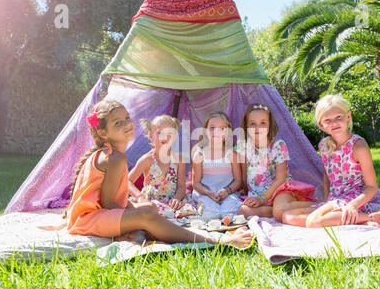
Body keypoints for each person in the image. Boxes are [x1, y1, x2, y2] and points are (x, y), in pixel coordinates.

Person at [66, 100, 253, 248]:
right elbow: (109, 204)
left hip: (98, 216)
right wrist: (138, 212)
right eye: (118, 123)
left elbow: (114, 200)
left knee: (150, 212)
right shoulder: (114, 158)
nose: (127, 124)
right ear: (103, 133)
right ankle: (216, 242)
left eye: (127, 118)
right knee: (147, 216)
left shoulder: (114, 155)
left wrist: (139, 210)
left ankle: (146, 231)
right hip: (89, 220)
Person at [281, 95, 380, 228]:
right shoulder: (324, 145)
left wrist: (353, 205)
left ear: (348, 116)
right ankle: (360, 221)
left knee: (313, 222)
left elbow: (372, 187)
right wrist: (326, 200)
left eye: (339, 117)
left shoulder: (358, 146)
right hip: (334, 199)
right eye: (328, 120)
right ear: (322, 124)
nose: (334, 123)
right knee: (287, 216)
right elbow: (327, 177)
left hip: (354, 200)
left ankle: (375, 216)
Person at [237, 103, 316, 218]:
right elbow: (244, 176)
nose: (258, 128)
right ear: (246, 127)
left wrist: (262, 198)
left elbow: (281, 179)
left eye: (263, 123)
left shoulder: (278, 145)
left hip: (279, 190)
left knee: (279, 209)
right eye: (252, 124)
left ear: (270, 126)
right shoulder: (243, 146)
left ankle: (319, 204)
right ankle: (275, 211)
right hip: (256, 194)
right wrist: (247, 194)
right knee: (243, 211)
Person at [129, 115, 198, 219]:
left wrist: (177, 199)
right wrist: (140, 197)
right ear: (151, 136)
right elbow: (127, 181)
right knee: (157, 213)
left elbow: (181, 186)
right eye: (160, 133)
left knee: (191, 211)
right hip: (153, 202)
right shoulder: (147, 160)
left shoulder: (179, 160)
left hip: (172, 200)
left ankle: (175, 222)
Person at [191, 111, 243, 219]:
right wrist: (208, 193)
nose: (217, 132)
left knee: (230, 214)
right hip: (205, 194)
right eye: (212, 128)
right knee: (210, 215)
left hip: (228, 193)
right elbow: (195, 183)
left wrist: (227, 191)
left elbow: (238, 180)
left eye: (222, 129)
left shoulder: (232, 154)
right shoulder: (200, 154)